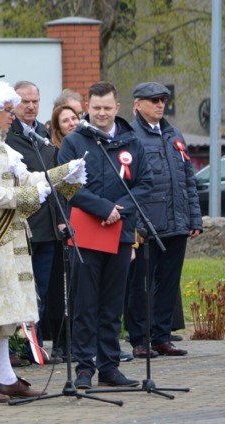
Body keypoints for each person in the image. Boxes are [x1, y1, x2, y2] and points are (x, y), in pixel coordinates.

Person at [0, 81, 84, 403]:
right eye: (8, 110)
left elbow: (30, 179)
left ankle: (8, 379)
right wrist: (26, 195)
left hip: (6, 240)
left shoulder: (2, 145)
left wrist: (65, 173)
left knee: (2, 314)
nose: (12, 116)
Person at [58, 81, 153, 390]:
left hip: (121, 232)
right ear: (87, 108)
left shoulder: (132, 142)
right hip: (86, 234)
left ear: (117, 108)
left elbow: (145, 183)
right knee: (85, 303)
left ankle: (109, 366)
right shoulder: (74, 142)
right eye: (95, 108)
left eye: (106, 108)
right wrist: (102, 208)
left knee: (113, 304)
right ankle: (84, 367)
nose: (101, 113)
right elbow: (68, 186)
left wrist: (119, 209)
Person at [126, 82, 202, 358]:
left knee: (168, 283)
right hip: (147, 226)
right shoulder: (130, 136)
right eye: (154, 99)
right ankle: (139, 339)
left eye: (164, 100)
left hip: (175, 224)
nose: (160, 104)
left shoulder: (173, 134)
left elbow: (187, 180)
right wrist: (135, 225)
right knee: (140, 285)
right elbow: (128, 185)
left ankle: (160, 336)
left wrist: (193, 218)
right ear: (138, 104)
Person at [5, 81, 63, 365]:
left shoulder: (44, 134)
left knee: (40, 290)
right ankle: (18, 347)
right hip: (21, 227)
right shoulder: (8, 137)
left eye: (35, 101)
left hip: (48, 227)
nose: (30, 106)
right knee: (20, 290)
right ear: (14, 104)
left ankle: (36, 346)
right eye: (24, 101)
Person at [43, 103, 81, 361]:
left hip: (83, 219)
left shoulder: (86, 147)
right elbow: (55, 190)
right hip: (61, 223)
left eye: (75, 118)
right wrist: (61, 219)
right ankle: (59, 342)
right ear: (57, 127)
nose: (72, 123)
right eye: (65, 120)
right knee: (59, 289)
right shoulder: (54, 152)